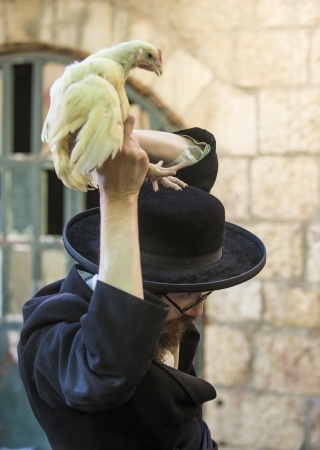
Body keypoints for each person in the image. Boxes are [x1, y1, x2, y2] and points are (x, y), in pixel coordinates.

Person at [18, 117, 266, 450]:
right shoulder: (53, 338)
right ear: (143, 287)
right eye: (188, 295)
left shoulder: (164, 311)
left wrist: (116, 140)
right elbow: (108, 366)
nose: (199, 311)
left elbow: (197, 160)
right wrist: (117, 196)